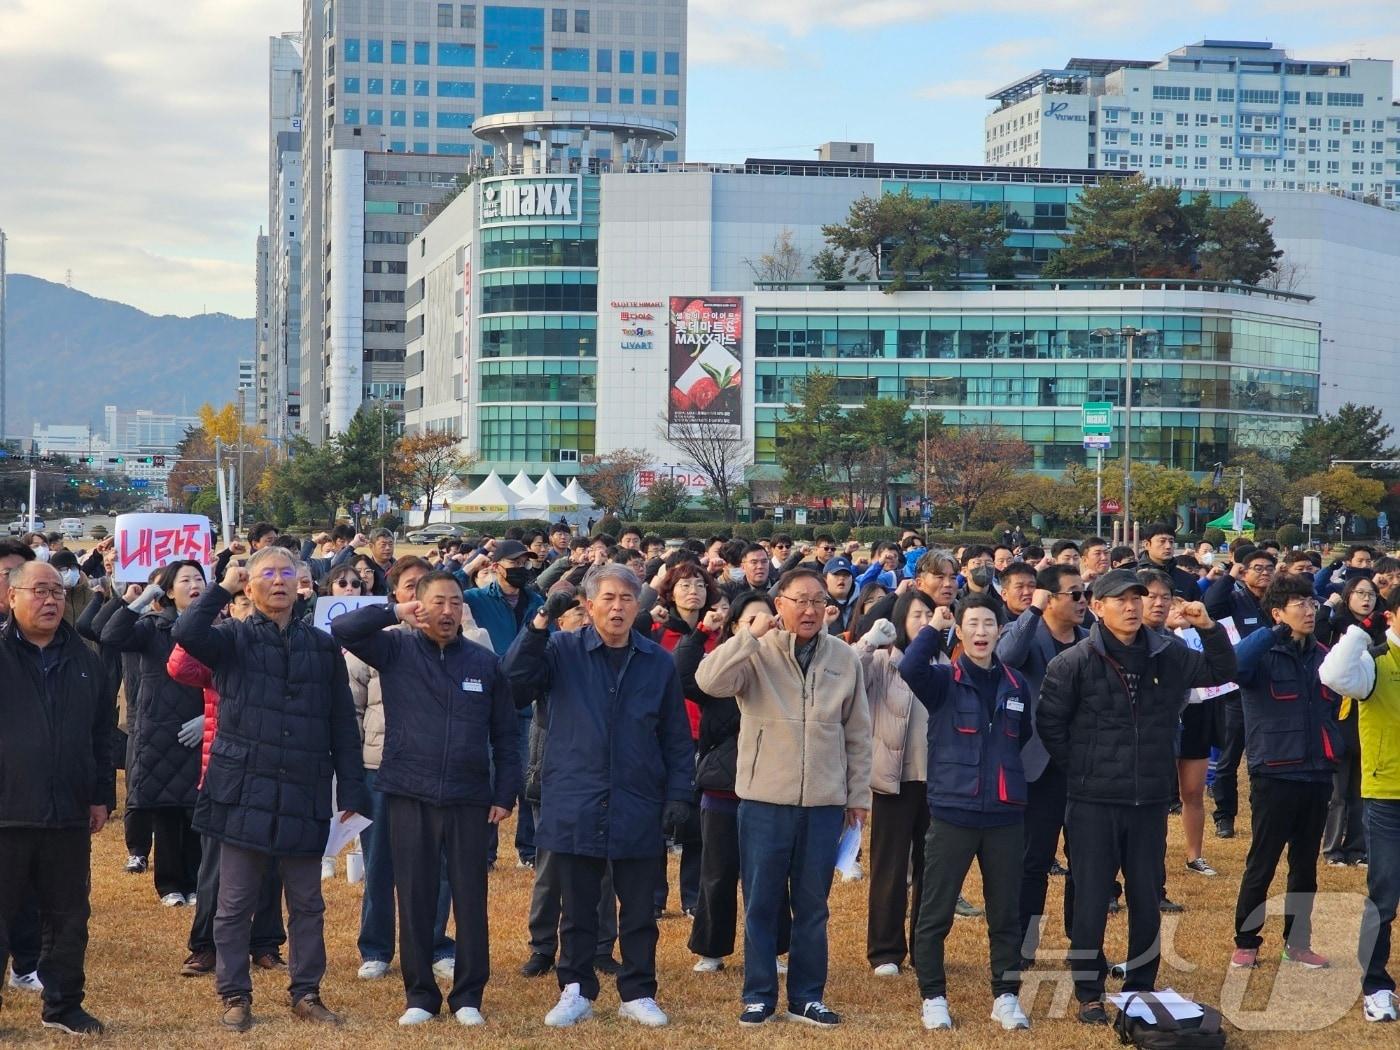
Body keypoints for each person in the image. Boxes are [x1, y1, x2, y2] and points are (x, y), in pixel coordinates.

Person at [172, 546, 371, 1032]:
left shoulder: (321, 647)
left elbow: (342, 723)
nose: (278, 582)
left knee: (307, 902)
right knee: (234, 902)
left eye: (287, 573)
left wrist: (352, 789)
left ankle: (306, 992)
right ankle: (235, 994)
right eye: (266, 574)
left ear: (302, 581)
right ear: (250, 584)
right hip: (242, 788)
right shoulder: (231, 638)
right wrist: (222, 584)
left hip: (303, 785)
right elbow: (186, 634)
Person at [1037, 569, 1235, 1024]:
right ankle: (1088, 989)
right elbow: (1050, 724)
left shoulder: (1170, 652)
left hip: (1148, 799)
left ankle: (1141, 986)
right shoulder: (1074, 662)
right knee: (1090, 897)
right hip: (1091, 801)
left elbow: (1224, 671)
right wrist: (1084, 769)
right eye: (1121, 599)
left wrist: (1207, 626)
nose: (1132, 606)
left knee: (1146, 896)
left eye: (1137, 598)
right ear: (1098, 606)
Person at [504, 565, 695, 1029]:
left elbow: (675, 734)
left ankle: (638, 990)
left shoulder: (656, 661)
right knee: (578, 903)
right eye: (607, 598)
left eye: (627, 599)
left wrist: (679, 795)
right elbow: (513, 684)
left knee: (638, 905)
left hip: (638, 797)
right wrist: (537, 624)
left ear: (638, 606)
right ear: (588, 606)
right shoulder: (560, 650)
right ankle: (575, 987)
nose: (617, 607)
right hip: (575, 795)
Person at [332, 571, 518, 1027]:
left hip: (469, 796)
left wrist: (504, 793)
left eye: (456, 603)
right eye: (438, 602)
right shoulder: (394, 648)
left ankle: (469, 995)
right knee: (413, 895)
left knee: (469, 897)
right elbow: (342, 630)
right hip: (407, 791)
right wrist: (395, 613)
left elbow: (507, 737)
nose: (448, 612)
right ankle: (420, 995)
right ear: (418, 604)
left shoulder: (483, 662)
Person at [696, 568, 872, 1028]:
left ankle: (807, 996)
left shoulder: (843, 657)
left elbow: (857, 732)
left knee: (813, 904)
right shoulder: (758, 654)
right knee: (760, 901)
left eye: (818, 601)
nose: (810, 609)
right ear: (780, 605)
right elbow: (709, 681)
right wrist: (747, 637)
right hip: (763, 800)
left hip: (823, 801)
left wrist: (857, 796)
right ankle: (758, 994)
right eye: (800, 600)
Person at [896, 593, 1032, 1031]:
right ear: (960, 630)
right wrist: (934, 625)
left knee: (1006, 913)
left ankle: (1006, 995)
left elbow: (1022, 735)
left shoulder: (1016, 684)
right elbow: (908, 668)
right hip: (953, 810)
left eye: (989, 623)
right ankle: (933, 996)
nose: (980, 632)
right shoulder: (942, 680)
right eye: (971, 623)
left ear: (1000, 630)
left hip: (1005, 815)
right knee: (934, 912)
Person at [0, 561, 114, 1035]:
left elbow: (102, 736)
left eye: (57, 592)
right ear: (11, 597)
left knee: (69, 916)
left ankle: (63, 1005)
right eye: (39, 591)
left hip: (67, 811)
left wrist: (100, 796)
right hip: (6, 810)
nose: (51, 600)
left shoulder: (86, 659)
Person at [344, 557, 464, 983]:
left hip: (437, 772)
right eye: (410, 588)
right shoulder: (381, 644)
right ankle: (376, 947)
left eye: (426, 590)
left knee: (440, 864)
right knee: (380, 862)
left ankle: (435, 943)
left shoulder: (465, 645)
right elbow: (352, 712)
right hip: (380, 768)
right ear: (396, 595)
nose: (420, 599)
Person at [169, 595, 287, 979]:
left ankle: (266, 943)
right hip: (223, 773)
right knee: (215, 868)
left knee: (269, 865)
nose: (250, 611)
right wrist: (207, 621)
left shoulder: (284, 647)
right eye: (240, 603)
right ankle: (206, 945)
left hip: (273, 769)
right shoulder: (222, 648)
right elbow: (180, 666)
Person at [1228, 572, 1341, 971]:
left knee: (1305, 865)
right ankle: (1246, 939)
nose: (1310, 610)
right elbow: (1234, 665)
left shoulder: (1324, 655)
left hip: (1316, 772)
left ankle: (1298, 942)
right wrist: (1273, 632)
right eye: (1299, 604)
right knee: (1263, 861)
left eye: (1312, 603)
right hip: (1274, 771)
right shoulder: (1261, 654)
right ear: (1277, 612)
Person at [677, 592, 792, 974]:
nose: (762, 628)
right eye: (751, 622)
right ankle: (712, 948)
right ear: (735, 628)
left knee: (768, 872)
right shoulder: (721, 666)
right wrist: (700, 633)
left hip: (771, 783)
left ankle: (772, 948)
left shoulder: (784, 670)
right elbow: (685, 678)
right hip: (723, 785)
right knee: (717, 872)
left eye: (769, 620)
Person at [518, 586, 622, 981]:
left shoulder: (609, 656)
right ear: (561, 621)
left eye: (586, 611)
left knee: (605, 864)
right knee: (551, 866)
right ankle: (543, 945)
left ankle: (600, 946)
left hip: (603, 779)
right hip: (554, 775)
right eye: (576, 612)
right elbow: (517, 673)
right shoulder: (554, 652)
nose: (584, 618)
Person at [99, 560, 208, 907]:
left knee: (197, 811)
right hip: (161, 731)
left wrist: (208, 718)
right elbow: (110, 635)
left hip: (202, 727)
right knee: (167, 810)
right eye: (185, 579)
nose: (194, 584)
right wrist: (142, 598)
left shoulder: (218, 627)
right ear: (170, 592)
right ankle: (170, 884)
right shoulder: (153, 627)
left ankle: (195, 882)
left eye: (199, 578)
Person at [996, 564, 1088, 969]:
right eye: (1075, 594)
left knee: (1087, 860)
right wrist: (1031, 613)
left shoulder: (1091, 640)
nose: (1083, 601)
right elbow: (1005, 658)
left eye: (1085, 594)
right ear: (1050, 599)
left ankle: (1081, 944)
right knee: (1033, 860)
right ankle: (1024, 944)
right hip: (1037, 765)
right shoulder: (1028, 637)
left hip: (1085, 763)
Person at [1318, 623, 1400, 1022]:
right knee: (1384, 896)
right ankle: (1376, 985)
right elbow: (1332, 675)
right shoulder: (1376, 660)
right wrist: (1358, 632)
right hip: (1387, 792)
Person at [855, 589, 938, 977]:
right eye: (916, 615)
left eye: (930, 615)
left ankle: (925, 947)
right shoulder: (883, 662)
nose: (924, 621)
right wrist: (870, 640)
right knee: (889, 868)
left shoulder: (942, 662)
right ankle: (885, 951)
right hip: (894, 777)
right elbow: (848, 671)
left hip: (937, 779)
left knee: (932, 869)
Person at [459, 538, 545, 869]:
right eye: (515, 564)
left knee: (527, 776)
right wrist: (472, 562)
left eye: (526, 564)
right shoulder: (475, 598)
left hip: (525, 701)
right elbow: (443, 589)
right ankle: (486, 851)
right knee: (488, 777)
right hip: (486, 698)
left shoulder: (536, 601)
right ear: (496, 567)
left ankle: (528, 849)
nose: (522, 569)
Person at [1204, 546, 1276, 841]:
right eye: (1257, 568)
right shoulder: (1234, 599)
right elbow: (1210, 605)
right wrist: (1230, 573)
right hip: (1238, 690)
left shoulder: (1278, 601)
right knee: (1230, 757)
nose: (1264, 573)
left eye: (1269, 568)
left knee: (1268, 757)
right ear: (1243, 572)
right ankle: (1224, 815)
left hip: (1272, 686)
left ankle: (1265, 815)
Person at [1314, 576, 1385, 865]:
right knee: (1337, 790)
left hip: (1368, 715)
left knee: (1361, 788)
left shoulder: (1383, 630)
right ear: (1347, 596)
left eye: (1371, 594)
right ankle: (1332, 848)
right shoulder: (1336, 626)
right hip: (1337, 714)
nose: (1366, 599)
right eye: (1360, 593)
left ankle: (1357, 848)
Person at [1137, 524, 1197, 598]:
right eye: (1162, 541)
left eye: (1171, 542)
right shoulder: (1132, 576)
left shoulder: (1187, 579)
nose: (1168, 546)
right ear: (1147, 544)